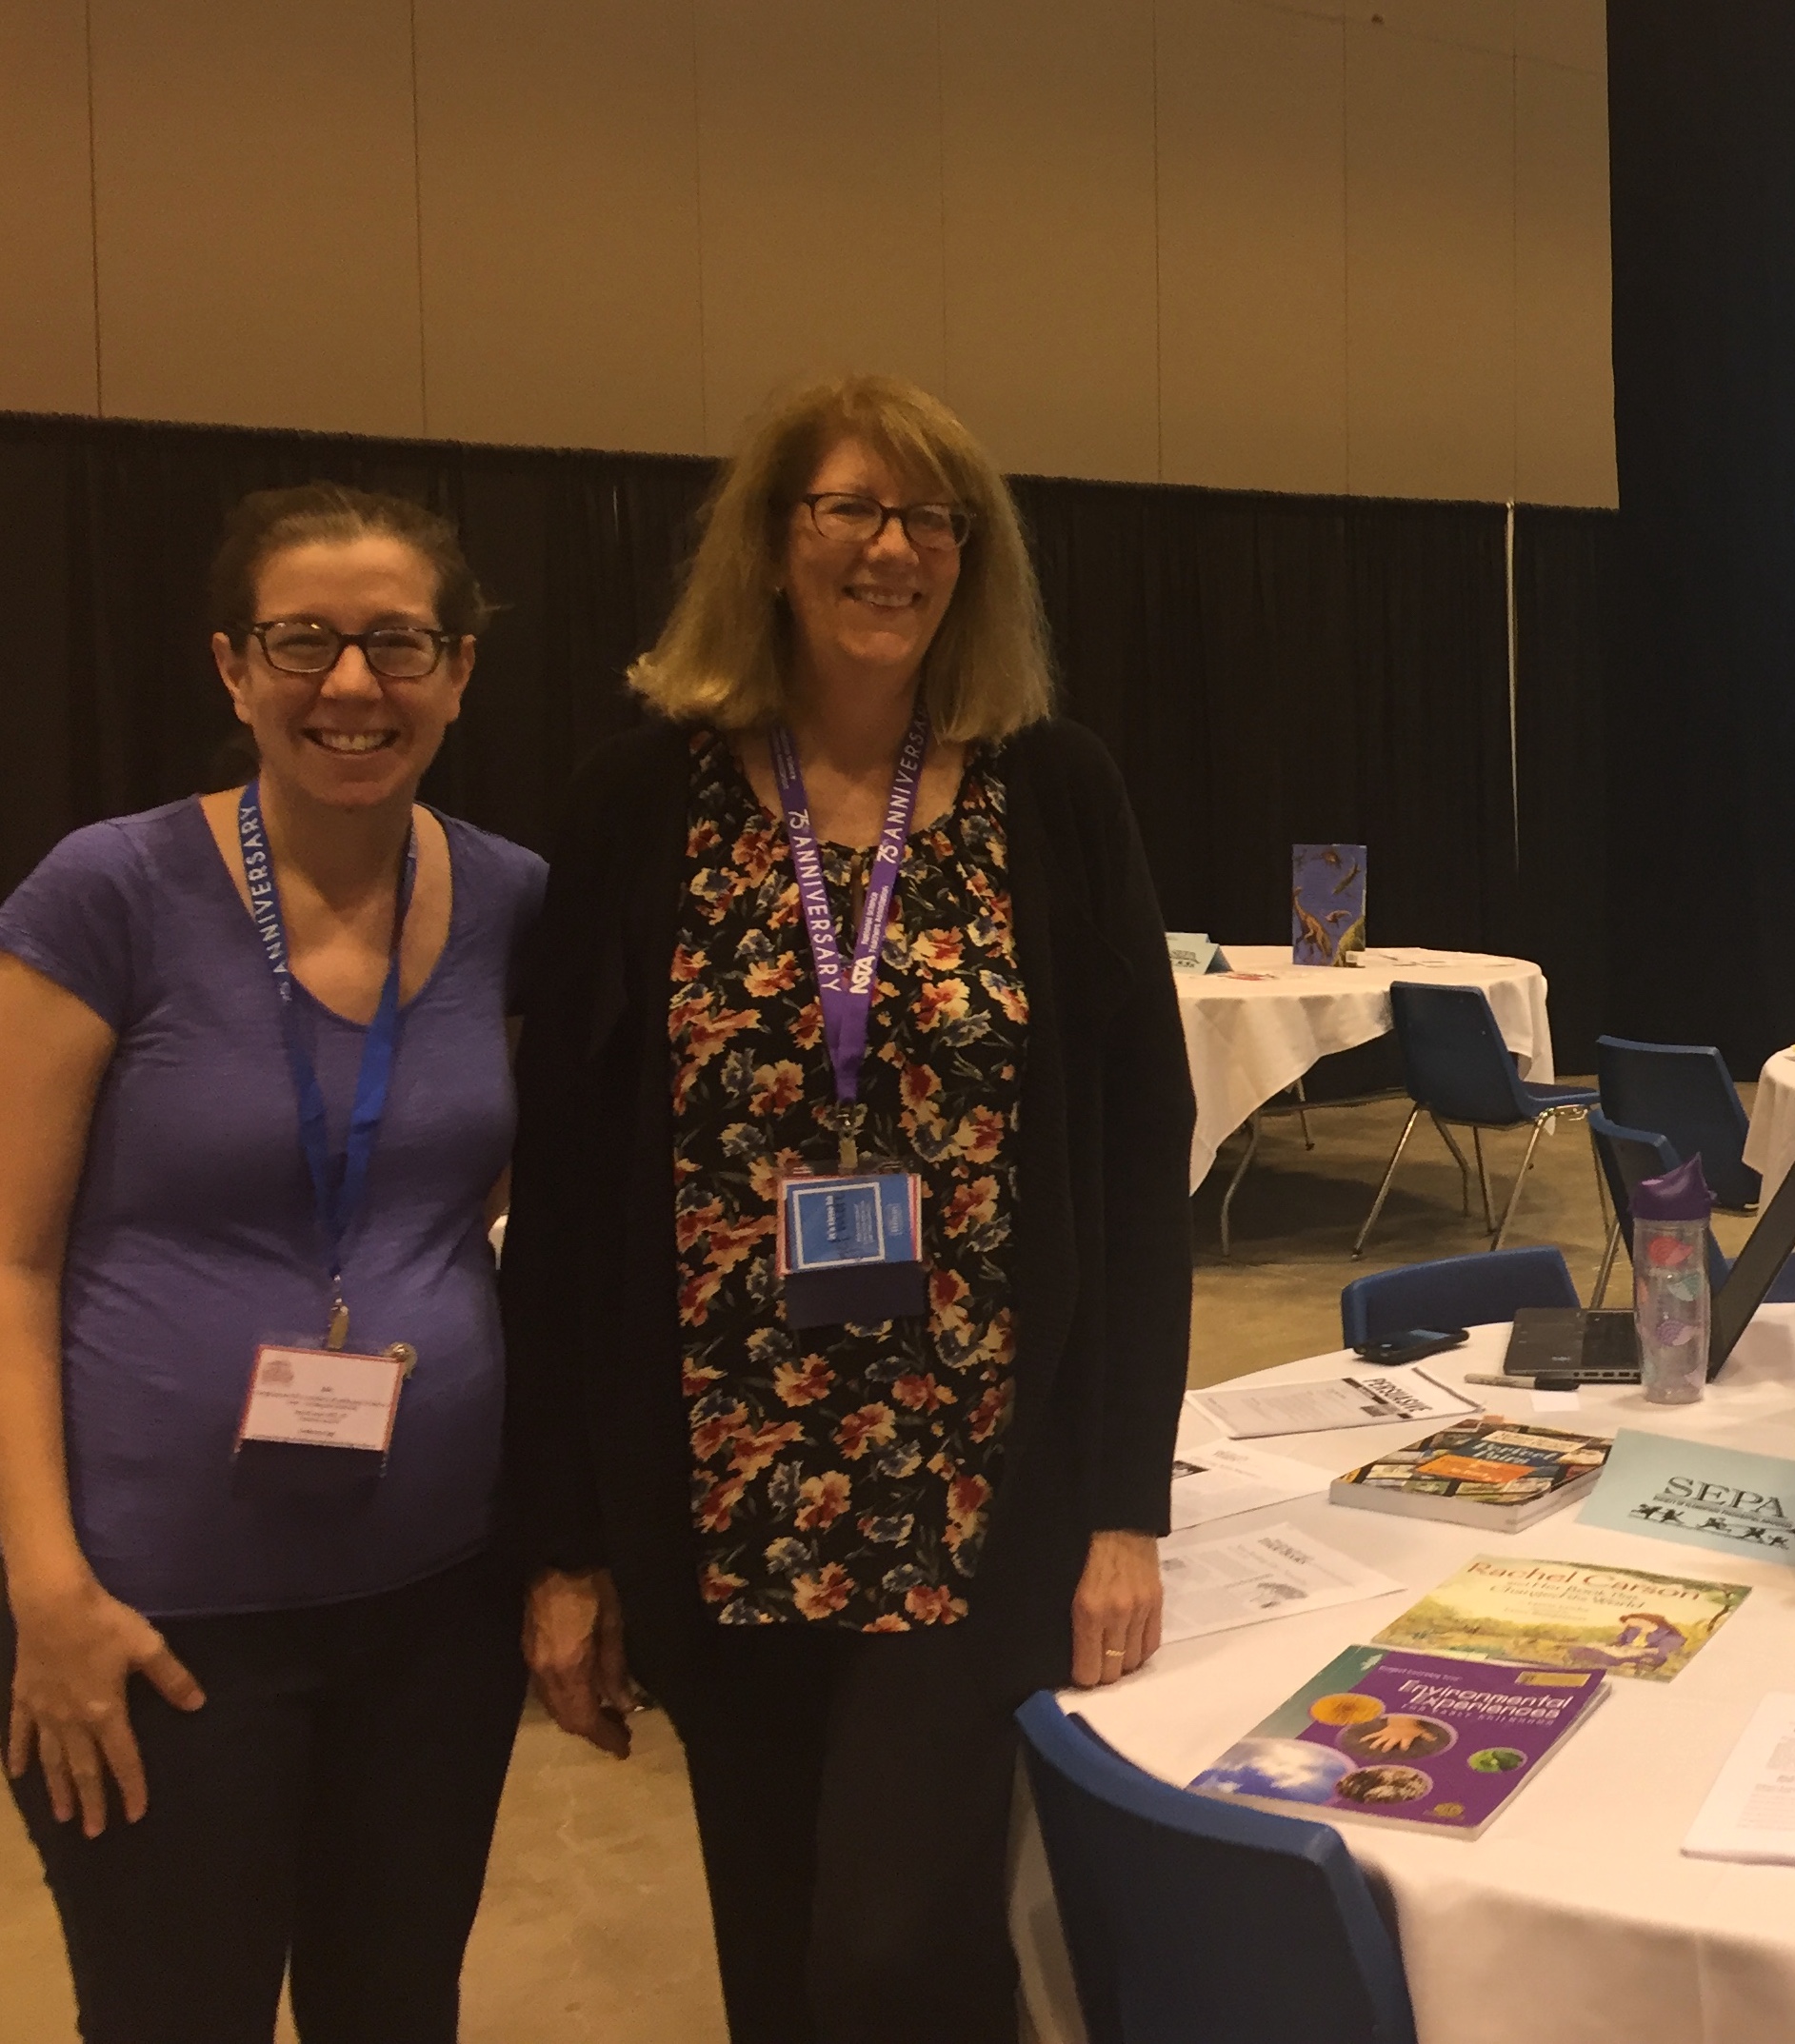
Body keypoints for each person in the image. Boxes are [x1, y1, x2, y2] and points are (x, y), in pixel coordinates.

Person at [502, 373, 1192, 2040]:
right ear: (772, 539)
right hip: (720, 1481)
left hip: (974, 1481)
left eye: (933, 519)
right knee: (779, 1943)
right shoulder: (639, 803)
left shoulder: (1054, 791)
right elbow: (572, 1202)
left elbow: (1132, 1153)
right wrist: (565, 1550)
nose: (895, 549)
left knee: (893, 1949)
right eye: (853, 511)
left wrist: (1123, 1505)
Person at [0, 484, 545, 2040]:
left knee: (396, 2008)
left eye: (397, 644)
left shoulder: (512, 902)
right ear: (233, 667)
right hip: (158, 1621)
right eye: (305, 641)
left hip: (435, 1607)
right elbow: (11, 1262)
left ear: (458, 671)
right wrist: (46, 1594)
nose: (352, 687)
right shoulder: (107, 895)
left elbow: (497, 1187)